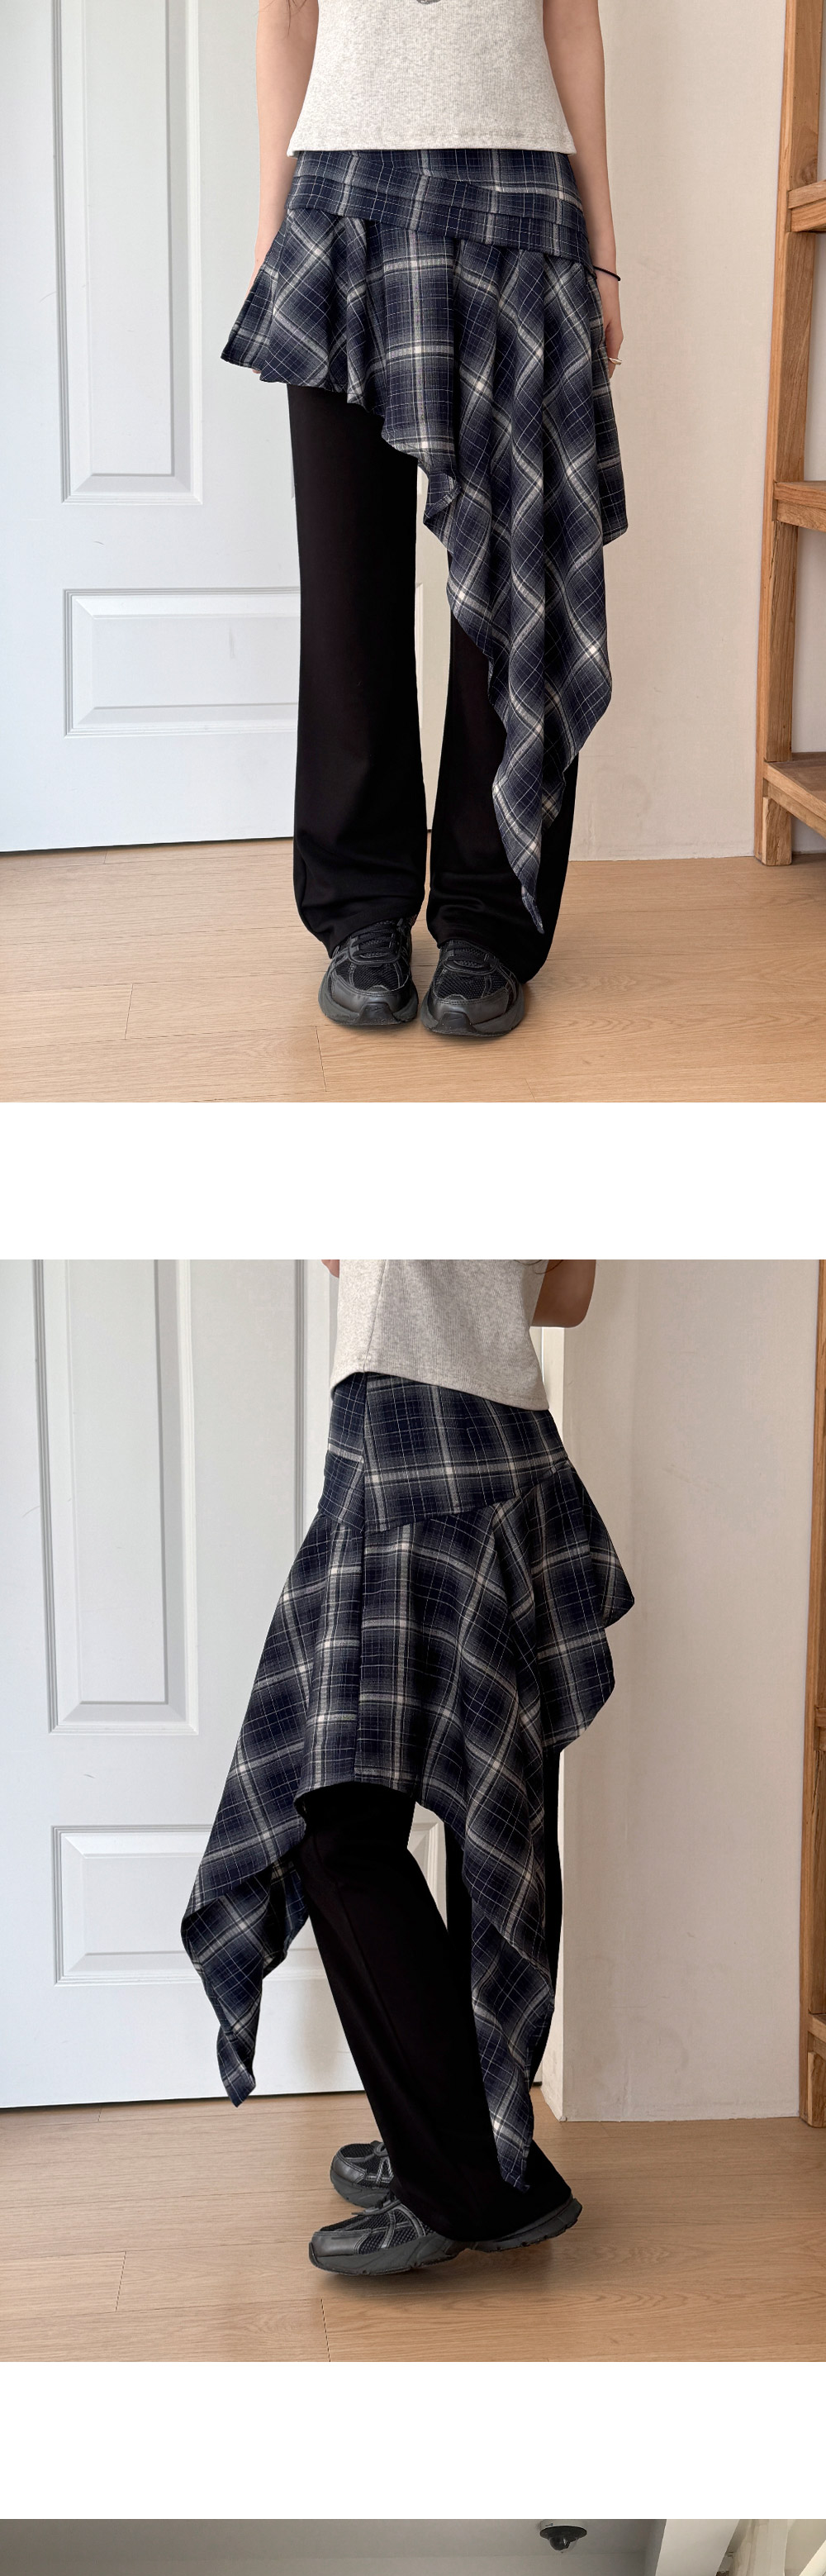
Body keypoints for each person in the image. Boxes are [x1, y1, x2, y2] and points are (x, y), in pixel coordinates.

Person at [182, 1255, 633, 2292]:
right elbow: (566, 1297)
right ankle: (479, 2143)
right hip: (514, 1442)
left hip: (402, 1432)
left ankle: (462, 2178)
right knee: (497, 1813)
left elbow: (345, 1249)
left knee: (337, 1827)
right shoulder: (585, 1144)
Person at [229, 6, 626, 1041]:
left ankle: (486, 917)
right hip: (338, 200)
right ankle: (361, 911)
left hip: (520, 199)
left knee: (519, 576)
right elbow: (287, 17)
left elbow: (570, 22)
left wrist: (603, 250)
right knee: (347, 585)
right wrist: (271, 225)